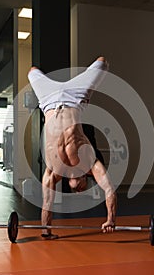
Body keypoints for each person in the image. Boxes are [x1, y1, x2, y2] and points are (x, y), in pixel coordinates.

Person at [28, 57, 117, 239]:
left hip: (48, 100)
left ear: (68, 184)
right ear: (85, 178)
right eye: (83, 188)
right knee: (102, 62)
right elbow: (109, 190)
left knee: (31, 71)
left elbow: (47, 203)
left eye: (76, 190)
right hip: (75, 99)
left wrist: (46, 231)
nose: (79, 190)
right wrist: (111, 219)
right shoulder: (91, 163)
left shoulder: (52, 172)